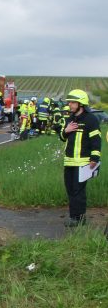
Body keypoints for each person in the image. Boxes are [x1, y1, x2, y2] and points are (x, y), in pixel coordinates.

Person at [59, 89, 101, 227]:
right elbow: (62, 137)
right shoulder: (70, 119)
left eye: (72, 102)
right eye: (69, 102)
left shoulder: (91, 120)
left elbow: (96, 140)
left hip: (83, 163)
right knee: (70, 190)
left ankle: (79, 218)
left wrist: (94, 158)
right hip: (69, 161)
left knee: (78, 191)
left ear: (81, 103)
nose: (69, 104)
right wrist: (66, 131)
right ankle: (73, 216)